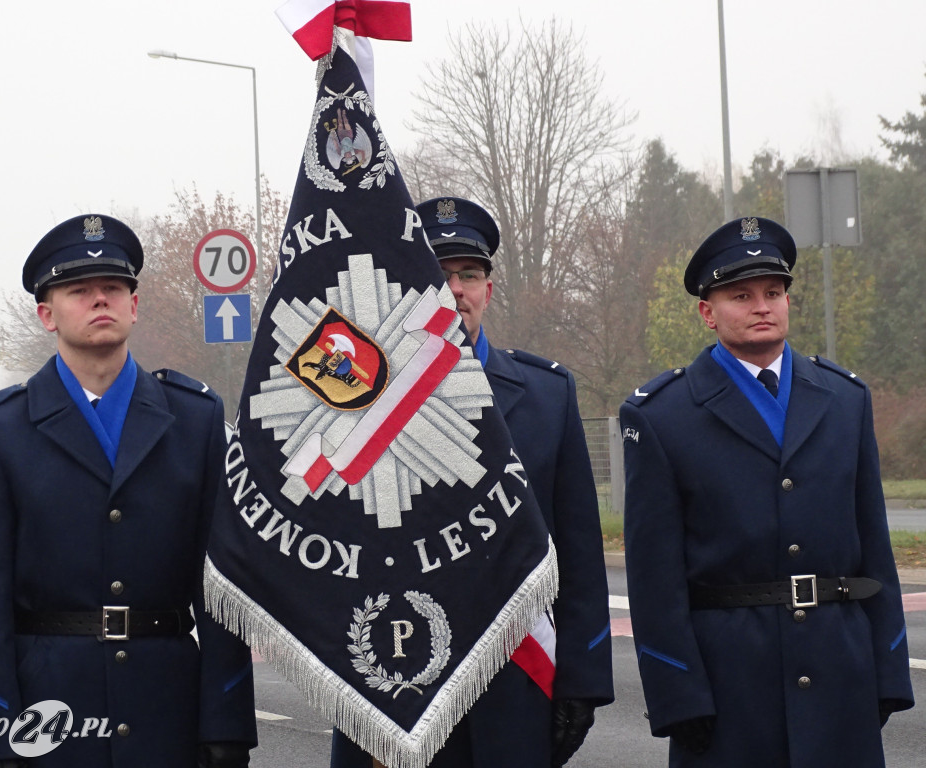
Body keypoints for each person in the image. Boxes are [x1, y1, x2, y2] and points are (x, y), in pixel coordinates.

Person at [0, 214, 257, 768]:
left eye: (113, 289)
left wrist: (227, 722)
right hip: (49, 715)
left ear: (134, 306)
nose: (100, 301)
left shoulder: (196, 419)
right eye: (79, 290)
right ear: (47, 314)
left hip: (168, 710)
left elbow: (221, 591)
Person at [330, 197, 615, 768]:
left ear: (487, 287)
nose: (455, 288)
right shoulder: (355, 400)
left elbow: (578, 554)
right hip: (394, 673)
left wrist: (582, 684)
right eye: (438, 274)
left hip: (513, 680)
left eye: (469, 274)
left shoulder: (545, 395)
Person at [620, 216, 914, 767]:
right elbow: (654, 576)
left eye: (774, 292)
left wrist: (888, 668)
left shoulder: (845, 400)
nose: (762, 306)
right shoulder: (663, 415)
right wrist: (677, 693)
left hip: (839, 674)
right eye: (741, 295)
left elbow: (875, 543)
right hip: (730, 686)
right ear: (707, 312)